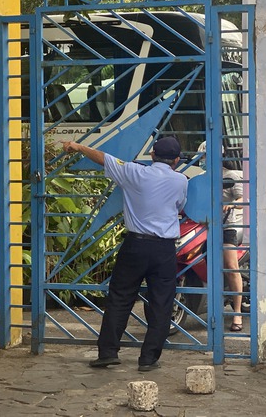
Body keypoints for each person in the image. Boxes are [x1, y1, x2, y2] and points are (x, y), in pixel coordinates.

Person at [62, 136, 188, 371]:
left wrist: (77, 147)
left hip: (135, 245)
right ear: (177, 160)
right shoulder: (181, 181)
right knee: (161, 303)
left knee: (120, 298)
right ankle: (148, 359)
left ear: (152, 155)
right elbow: (179, 206)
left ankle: (108, 352)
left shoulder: (133, 172)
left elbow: (104, 159)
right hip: (164, 249)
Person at [197, 141, 245, 332]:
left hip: (227, 226)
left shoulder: (231, 176)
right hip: (205, 227)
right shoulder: (202, 178)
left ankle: (237, 313)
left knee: (231, 266)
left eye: (205, 158)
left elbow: (243, 199)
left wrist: (232, 204)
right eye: (201, 158)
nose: (203, 161)